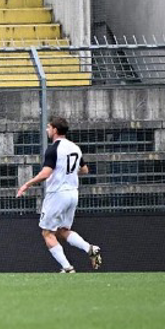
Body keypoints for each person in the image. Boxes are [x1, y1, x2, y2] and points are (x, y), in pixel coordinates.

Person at [16, 117, 102, 273]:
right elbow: (84, 170)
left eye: (49, 127)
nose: (47, 130)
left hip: (57, 194)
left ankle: (67, 267)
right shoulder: (75, 147)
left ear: (55, 129)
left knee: (47, 232)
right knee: (62, 230)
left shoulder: (54, 148)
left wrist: (26, 184)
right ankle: (90, 248)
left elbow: (46, 173)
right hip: (72, 194)